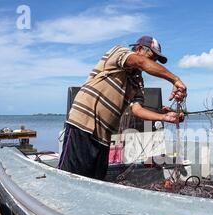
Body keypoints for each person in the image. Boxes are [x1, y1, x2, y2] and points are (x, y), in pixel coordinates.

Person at [58, 36, 187, 180]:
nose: (153, 62)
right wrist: (175, 79)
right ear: (138, 49)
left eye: (156, 59)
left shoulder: (137, 81)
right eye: (152, 57)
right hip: (82, 125)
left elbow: (137, 109)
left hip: (104, 137)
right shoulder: (119, 52)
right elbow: (141, 61)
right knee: (70, 178)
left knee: (96, 181)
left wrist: (164, 117)